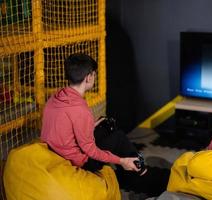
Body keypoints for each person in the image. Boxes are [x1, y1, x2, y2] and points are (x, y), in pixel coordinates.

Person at [40, 53, 169, 197]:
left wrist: (92, 126)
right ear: (89, 77)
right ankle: (139, 172)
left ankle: (134, 168)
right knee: (118, 137)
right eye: (94, 75)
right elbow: (90, 150)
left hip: (57, 153)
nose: (94, 77)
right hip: (77, 162)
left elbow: (66, 129)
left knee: (106, 126)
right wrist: (121, 160)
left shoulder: (55, 97)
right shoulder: (81, 110)